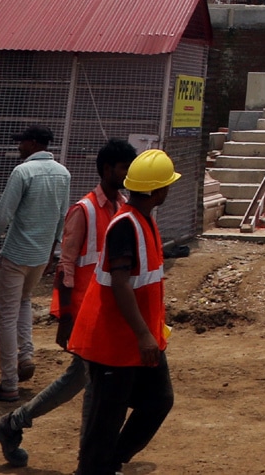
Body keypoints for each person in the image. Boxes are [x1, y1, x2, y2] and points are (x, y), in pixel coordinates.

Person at [0, 137, 137, 468]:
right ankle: (90, 460)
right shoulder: (84, 210)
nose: (127, 175)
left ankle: (11, 424)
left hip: (104, 313)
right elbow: (66, 265)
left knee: (80, 379)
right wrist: (67, 318)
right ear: (106, 169)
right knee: (93, 387)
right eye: (123, 168)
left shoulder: (121, 207)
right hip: (86, 313)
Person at [69, 149, 181, 473]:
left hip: (139, 338)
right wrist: (144, 334)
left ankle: (111, 462)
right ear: (159, 191)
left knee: (158, 400)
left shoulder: (143, 221)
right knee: (106, 416)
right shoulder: (126, 225)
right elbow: (121, 284)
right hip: (117, 342)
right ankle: (96, 467)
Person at [0, 126, 73, 402]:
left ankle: (9, 382)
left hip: (17, 253)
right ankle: (25, 356)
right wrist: (53, 250)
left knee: (6, 315)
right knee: (24, 302)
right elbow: (62, 216)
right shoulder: (63, 173)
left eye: (22, 142)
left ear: (33, 143)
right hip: (40, 255)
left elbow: (3, 214)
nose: (19, 147)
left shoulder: (22, 172)